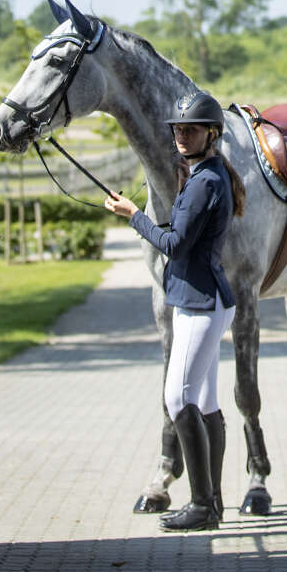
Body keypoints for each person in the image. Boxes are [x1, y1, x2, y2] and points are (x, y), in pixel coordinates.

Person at [104, 90, 245, 531]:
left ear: (212, 134)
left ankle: (202, 505)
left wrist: (133, 215)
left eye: (191, 129)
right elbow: (184, 234)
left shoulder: (205, 181)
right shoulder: (204, 173)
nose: (182, 136)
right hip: (198, 299)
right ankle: (214, 503)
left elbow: (175, 245)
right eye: (178, 129)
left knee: (177, 397)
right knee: (204, 401)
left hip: (201, 302)